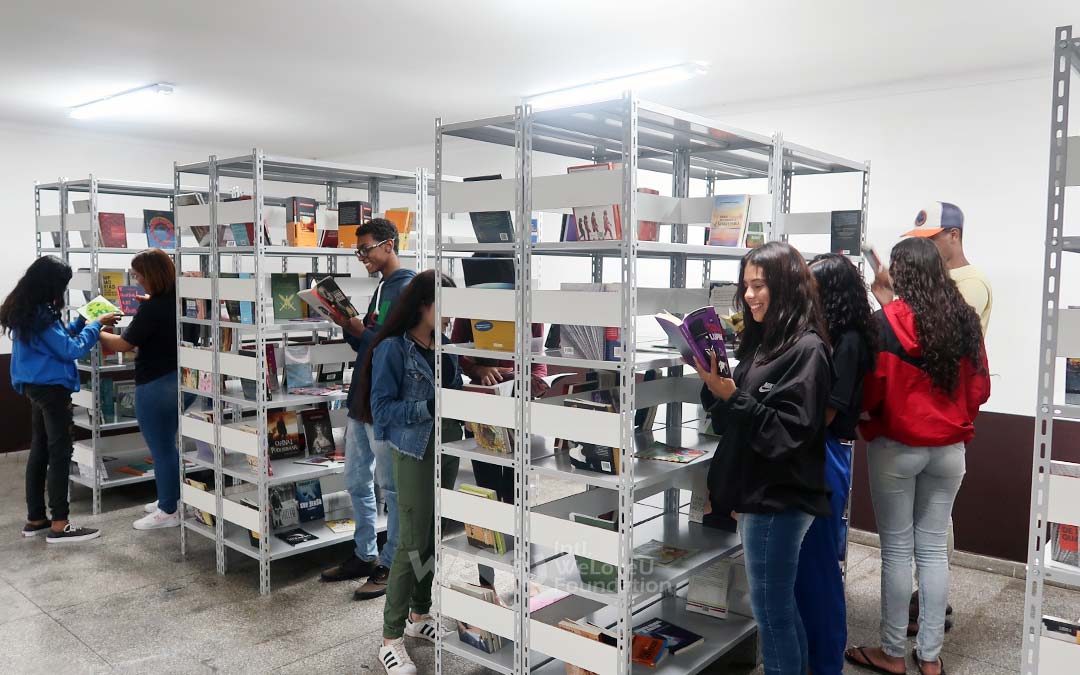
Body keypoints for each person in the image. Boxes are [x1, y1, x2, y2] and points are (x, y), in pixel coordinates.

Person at [845, 237, 989, 675]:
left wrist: (874, 420)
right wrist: (953, 421)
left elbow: (870, 391)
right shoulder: (964, 320)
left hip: (896, 449)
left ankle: (892, 653)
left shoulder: (884, 323)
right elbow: (980, 388)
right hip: (949, 451)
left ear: (901, 274)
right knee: (932, 551)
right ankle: (929, 657)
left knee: (896, 551)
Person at [695, 241, 833, 675]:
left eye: (760, 285)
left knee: (771, 616)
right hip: (759, 492)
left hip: (779, 498)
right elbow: (733, 418)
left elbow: (789, 434)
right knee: (779, 606)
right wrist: (715, 386)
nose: (750, 295)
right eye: (746, 286)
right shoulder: (763, 343)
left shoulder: (807, 350)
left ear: (786, 286)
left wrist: (733, 396)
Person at [351, 270, 462, 675]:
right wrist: (429, 407)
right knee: (409, 542)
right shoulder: (393, 349)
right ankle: (390, 638)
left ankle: (420, 614)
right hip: (413, 451)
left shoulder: (445, 346)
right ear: (423, 305)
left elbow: (455, 393)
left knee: (431, 537)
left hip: (448, 447)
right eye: (445, 306)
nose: (451, 315)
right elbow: (381, 411)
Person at [321, 218, 416, 601]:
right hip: (361, 397)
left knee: (390, 487)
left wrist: (364, 332)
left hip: (384, 403)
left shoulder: (408, 287)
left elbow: (402, 346)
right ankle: (365, 554)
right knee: (357, 480)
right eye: (357, 251)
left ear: (389, 245)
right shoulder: (382, 287)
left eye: (366, 249)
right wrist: (348, 325)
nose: (361, 257)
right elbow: (368, 343)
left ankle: (390, 563)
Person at [795, 253, 877, 675]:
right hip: (819, 449)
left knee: (820, 566)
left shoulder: (847, 342)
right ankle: (811, 657)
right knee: (806, 565)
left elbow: (826, 412)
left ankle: (826, 663)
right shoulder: (834, 335)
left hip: (825, 452)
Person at [1, 256, 119, 543]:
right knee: (60, 453)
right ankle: (60, 524)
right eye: (63, 285)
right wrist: (96, 326)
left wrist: (80, 322)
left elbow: (57, 341)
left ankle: (36, 519)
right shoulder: (41, 315)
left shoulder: (27, 311)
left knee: (40, 450)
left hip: (35, 387)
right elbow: (71, 350)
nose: (63, 291)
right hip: (52, 390)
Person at [97, 249, 185, 529]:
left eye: (138, 275)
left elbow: (123, 344)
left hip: (155, 384)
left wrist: (94, 329)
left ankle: (168, 511)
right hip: (179, 380)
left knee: (161, 449)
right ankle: (171, 500)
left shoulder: (151, 308)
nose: (137, 280)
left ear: (152, 275)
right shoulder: (181, 301)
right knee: (168, 446)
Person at [874, 201, 992, 334]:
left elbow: (944, 333)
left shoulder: (972, 281)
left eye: (929, 240)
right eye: (919, 241)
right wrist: (889, 303)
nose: (922, 247)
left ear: (954, 235)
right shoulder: (930, 275)